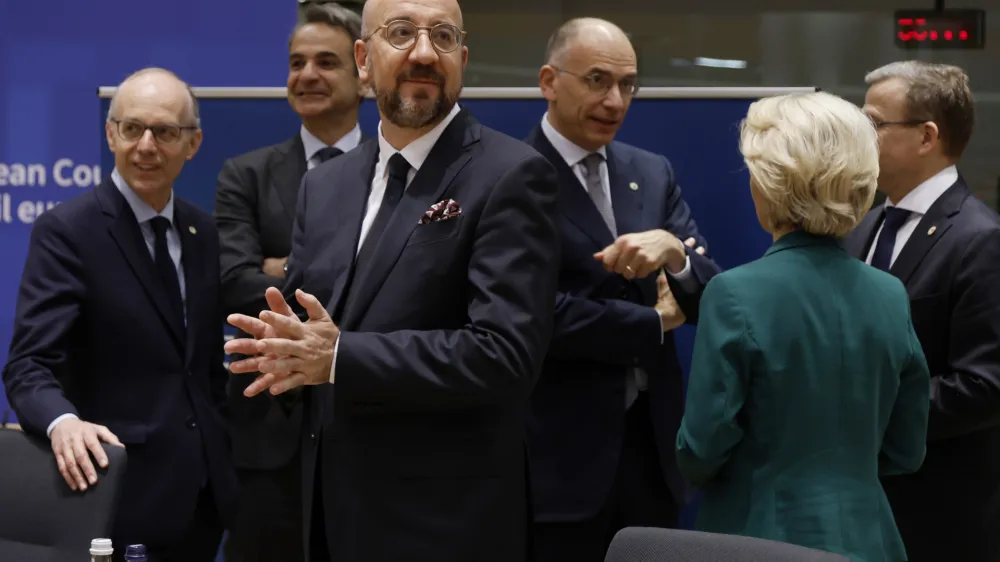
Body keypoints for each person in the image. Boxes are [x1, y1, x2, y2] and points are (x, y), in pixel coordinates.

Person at [223, 0, 561, 560]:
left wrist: (339, 358)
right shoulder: (324, 186)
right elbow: (313, 329)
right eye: (401, 33)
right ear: (363, 59)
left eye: (443, 37)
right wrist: (282, 356)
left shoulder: (512, 173)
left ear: (463, 58)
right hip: (328, 515)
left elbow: (505, 355)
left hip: (444, 526)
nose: (424, 53)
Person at [675, 91, 931, 561]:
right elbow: (906, 449)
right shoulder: (890, 295)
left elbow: (701, 449)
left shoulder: (733, 294)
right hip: (868, 537)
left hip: (757, 537)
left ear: (771, 185)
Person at [1, 67, 237, 561]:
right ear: (111, 134)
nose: (146, 146)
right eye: (132, 129)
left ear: (192, 145)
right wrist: (62, 421)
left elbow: (201, 365)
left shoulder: (202, 233)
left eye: (165, 132)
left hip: (202, 500)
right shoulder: (69, 231)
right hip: (115, 495)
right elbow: (28, 367)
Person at [522, 18, 721, 562]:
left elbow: (710, 293)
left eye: (628, 85)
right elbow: (535, 314)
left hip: (653, 450)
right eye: (597, 80)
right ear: (548, 81)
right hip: (556, 456)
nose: (615, 100)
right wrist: (652, 322)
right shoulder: (511, 176)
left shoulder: (650, 172)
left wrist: (676, 255)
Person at [212, 4, 365, 560]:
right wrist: (344, 270)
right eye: (296, 62)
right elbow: (234, 286)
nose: (306, 75)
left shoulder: (395, 174)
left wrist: (283, 265)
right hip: (267, 438)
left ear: (363, 73)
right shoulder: (245, 175)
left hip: (367, 424)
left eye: (327, 62)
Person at [844, 61, 1000, 562]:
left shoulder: (981, 239)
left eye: (873, 123)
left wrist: (862, 415)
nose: (859, 136)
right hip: (857, 503)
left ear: (926, 136)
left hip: (939, 511)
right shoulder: (860, 229)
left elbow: (985, 384)